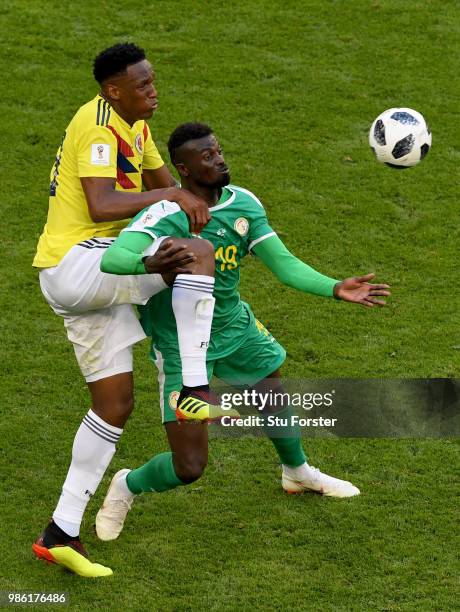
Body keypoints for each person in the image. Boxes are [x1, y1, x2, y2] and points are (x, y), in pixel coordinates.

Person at [95, 122, 391, 545]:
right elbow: (115, 258)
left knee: (271, 389)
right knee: (190, 466)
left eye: (218, 150)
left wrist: (334, 287)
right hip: (181, 343)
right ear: (184, 168)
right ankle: (126, 484)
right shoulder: (165, 214)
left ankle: (297, 472)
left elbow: (283, 263)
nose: (219, 159)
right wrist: (152, 263)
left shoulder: (244, 204)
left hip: (235, 324)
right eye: (207, 156)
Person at [32, 46, 218, 578]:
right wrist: (179, 202)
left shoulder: (134, 125)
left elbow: (171, 186)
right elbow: (102, 206)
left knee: (114, 405)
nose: (153, 91)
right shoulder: (96, 126)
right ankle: (193, 386)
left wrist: (207, 201)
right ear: (113, 91)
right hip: (76, 264)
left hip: (96, 279)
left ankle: (59, 533)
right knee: (193, 256)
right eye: (142, 86)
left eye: (153, 81)